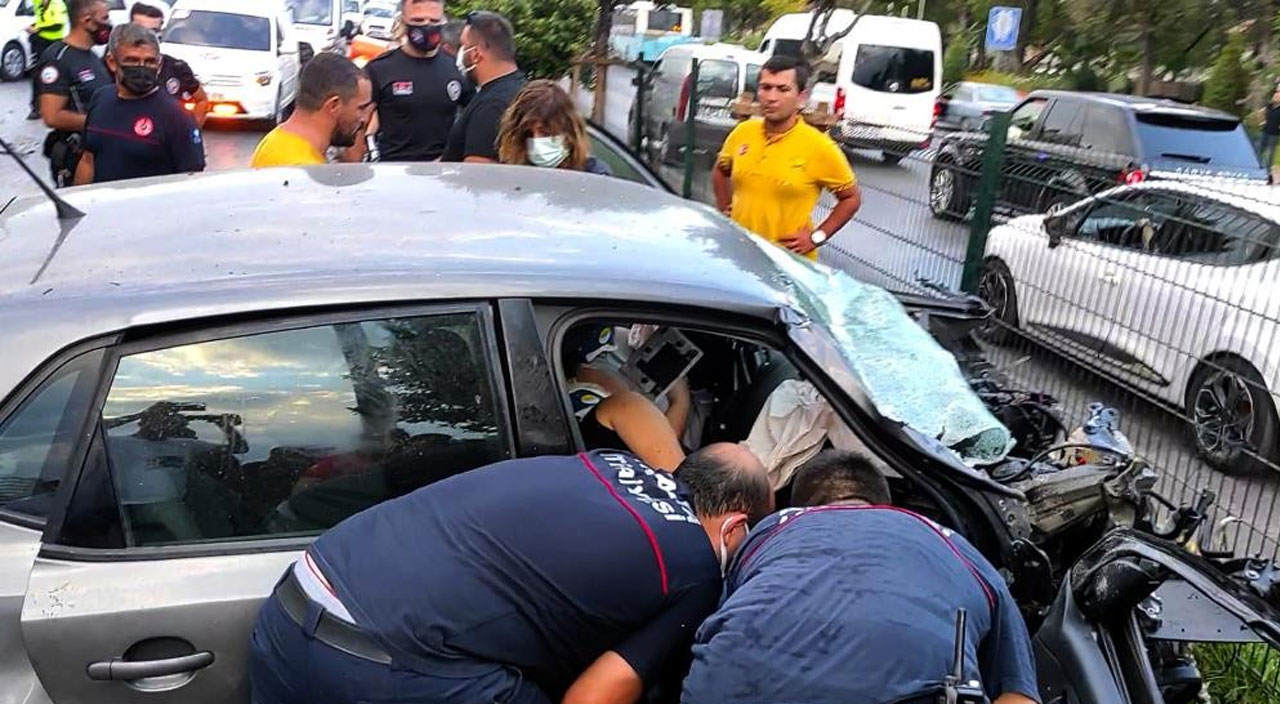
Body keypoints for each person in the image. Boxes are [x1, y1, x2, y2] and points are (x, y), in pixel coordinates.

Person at [249, 445, 774, 704]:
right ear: (735, 527)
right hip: (384, 665)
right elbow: (593, 697)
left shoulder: (606, 462)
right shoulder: (696, 567)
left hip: (291, 606)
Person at [681, 450, 1040, 704]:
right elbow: (1019, 694)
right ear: (886, 505)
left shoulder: (771, 530)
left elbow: (714, 623)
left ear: (805, 506)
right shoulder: (958, 549)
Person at [714, 55, 862, 260]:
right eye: (766, 87)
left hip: (788, 262)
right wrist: (724, 209)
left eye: (783, 89)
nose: (771, 97)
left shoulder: (819, 146)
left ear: (801, 97)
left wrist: (816, 237)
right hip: (739, 255)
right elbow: (721, 170)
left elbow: (851, 198)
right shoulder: (743, 133)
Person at [74, 23, 204, 184]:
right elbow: (88, 160)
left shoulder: (176, 116)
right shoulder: (101, 98)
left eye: (149, 61)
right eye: (132, 60)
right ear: (112, 62)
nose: (141, 68)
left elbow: (190, 180)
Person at [364, 0, 473, 161]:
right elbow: (357, 124)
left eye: (434, 21)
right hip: (393, 173)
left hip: (442, 173)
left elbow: (475, 115)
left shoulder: (456, 68)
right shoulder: (379, 69)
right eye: (418, 21)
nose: (427, 26)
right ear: (403, 21)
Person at [36, 0, 113, 187]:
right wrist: (102, 123)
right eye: (104, 18)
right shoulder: (58, 59)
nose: (109, 23)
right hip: (75, 157)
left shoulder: (93, 56)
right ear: (87, 20)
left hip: (99, 154)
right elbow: (51, 116)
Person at [251, 53, 374, 168]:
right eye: (361, 108)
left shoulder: (277, 140)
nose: (365, 118)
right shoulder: (303, 170)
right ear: (333, 105)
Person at [441, 10, 523, 163]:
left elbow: (478, 175)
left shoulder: (492, 105)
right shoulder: (519, 89)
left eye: (463, 46)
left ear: (475, 54)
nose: (460, 53)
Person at [497, 79, 612, 175]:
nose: (536, 140)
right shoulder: (513, 175)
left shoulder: (595, 175)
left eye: (546, 133)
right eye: (528, 134)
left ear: (568, 130)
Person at [129, 1, 210, 127]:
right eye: (142, 31)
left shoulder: (176, 68)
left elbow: (202, 101)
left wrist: (191, 134)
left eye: (154, 31)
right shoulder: (115, 66)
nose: (149, 37)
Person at [26, 0, 68, 120]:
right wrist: (35, 27)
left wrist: (38, 28)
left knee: (55, 75)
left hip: (54, 43)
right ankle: (36, 107)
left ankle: (59, 105)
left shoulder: (58, 3)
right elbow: (42, 19)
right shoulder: (37, 2)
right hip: (40, 42)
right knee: (36, 74)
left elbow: (58, 25)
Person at [1260, 89, 1280, 171]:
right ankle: (1258, 166)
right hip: (1265, 131)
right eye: (1274, 96)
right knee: (1260, 150)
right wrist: (1263, 120)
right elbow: (1262, 112)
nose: (1274, 97)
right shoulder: (1269, 105)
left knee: (1270, 153)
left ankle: (1267, 170)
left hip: (1274, 133)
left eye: (1277, 96)